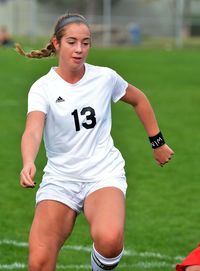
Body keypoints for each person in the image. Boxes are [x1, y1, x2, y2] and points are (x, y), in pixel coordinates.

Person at [16, 13, 174, 271]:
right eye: (72, 42)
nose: (79, 49)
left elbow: (139, 99)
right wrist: (28, 162)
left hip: (103, 173)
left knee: (110, 240)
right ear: (56, 43)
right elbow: (33, 130)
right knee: (38, 263)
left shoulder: (105, 78)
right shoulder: (42, 88)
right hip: (61, 179)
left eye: (86, 43)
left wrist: (157, 142)